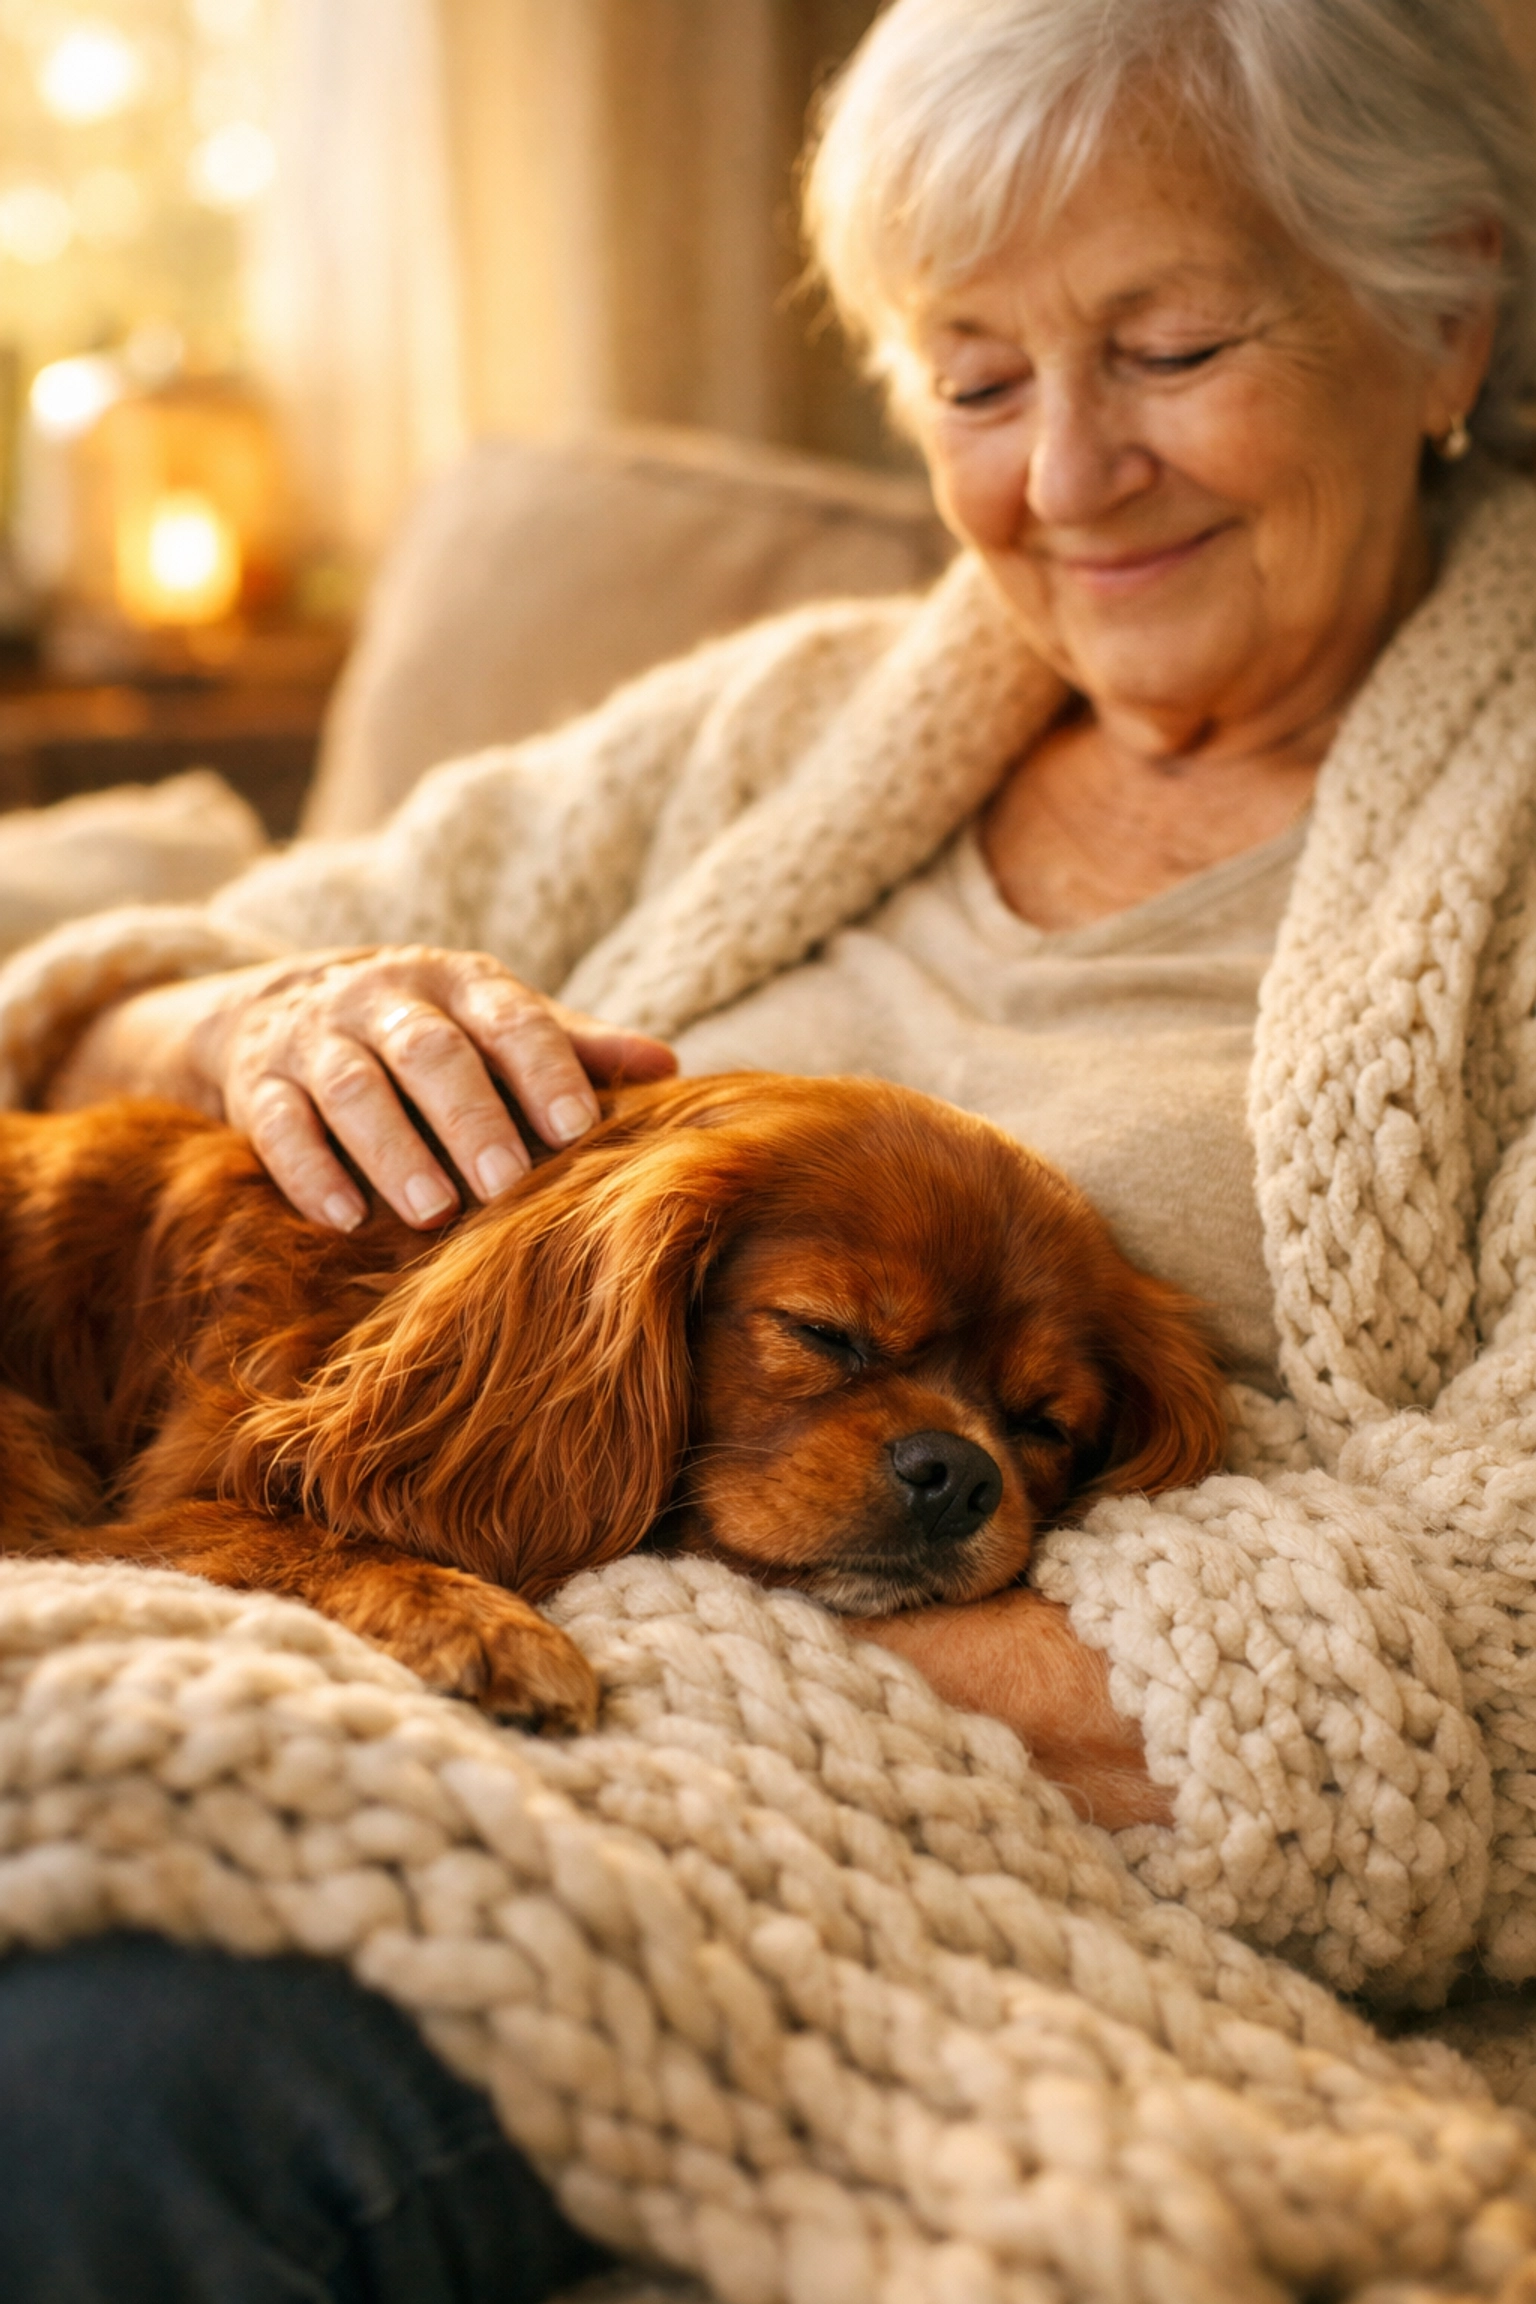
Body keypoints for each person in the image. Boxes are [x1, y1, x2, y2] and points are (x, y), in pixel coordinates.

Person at [4, 0, 1536, 2290]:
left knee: (75, 2097)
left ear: (1443, 317)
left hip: (786, 1836)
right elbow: (117, 999)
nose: (1064, 477)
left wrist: (631, 1657)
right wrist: (263, 1017)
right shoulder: (784, 716)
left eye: (1171, 343)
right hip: (345, 1632)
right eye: (978, 378)